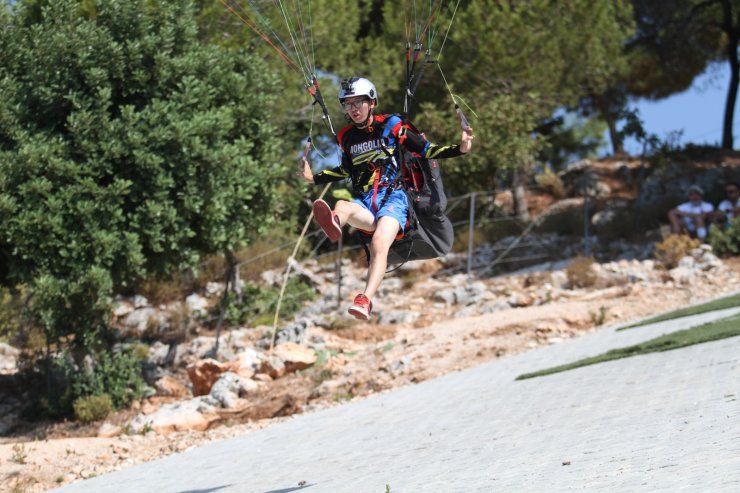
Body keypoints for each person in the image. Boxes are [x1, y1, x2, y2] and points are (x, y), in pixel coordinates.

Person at [301, 77, 473, 320]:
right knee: (342, 205)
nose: (353, 109)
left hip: (394, 199)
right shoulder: (346, 136)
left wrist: (460, 149)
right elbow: (346, 170)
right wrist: (314, 178)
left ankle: (365, 299)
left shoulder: (391, 125)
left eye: (358, 102)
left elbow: (425, 149)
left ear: (372, 102)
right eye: (347, 104)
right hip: (365, 202)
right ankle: (335, 223)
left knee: (379, 244)